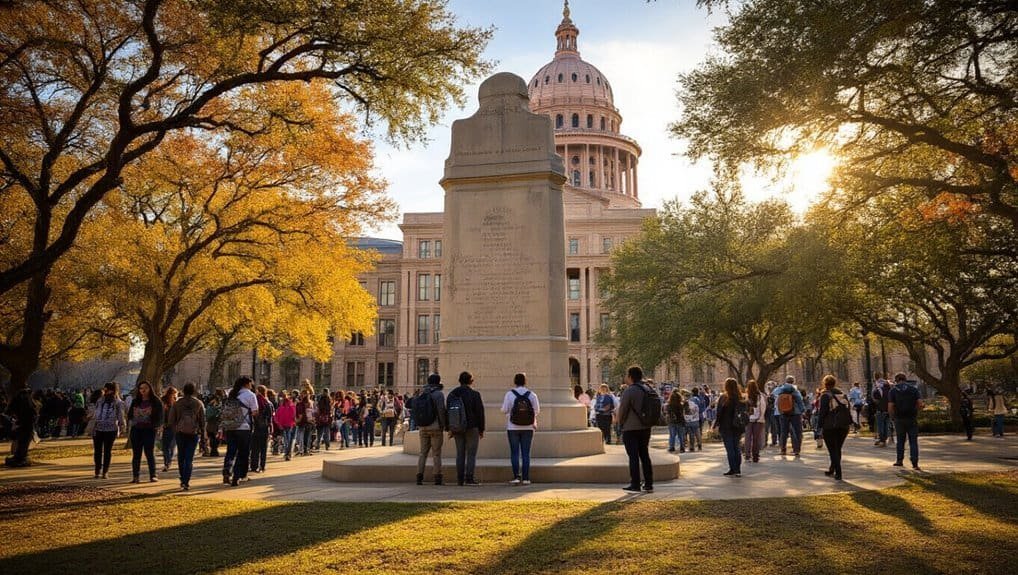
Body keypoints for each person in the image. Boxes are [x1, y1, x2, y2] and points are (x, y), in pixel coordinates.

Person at [617, 366, 655, 492]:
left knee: (633, 456)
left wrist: (619, 423)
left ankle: (635, 483)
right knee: (644, 454)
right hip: (646, 427)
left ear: (630, 376)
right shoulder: (648, 388)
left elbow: (622, 410)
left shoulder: (629, 391)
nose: (625, 378)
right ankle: (649, 483)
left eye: (627, 375)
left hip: (631, 428)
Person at [447, 371, 486, 486]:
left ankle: (459, 479)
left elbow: (448, 412)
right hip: (472, 427)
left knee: (460, 453)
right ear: (471, 381)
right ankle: (469, 477)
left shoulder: (452, 394)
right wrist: (481, 429)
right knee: (471, 454)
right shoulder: (475, 394)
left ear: (459, 381)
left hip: (457, 427)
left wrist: (449, 427)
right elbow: (480, 413)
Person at [166, 382, 205, 491]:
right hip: (193, 433)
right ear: (194, 391)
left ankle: (182, 478)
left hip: (180, 433)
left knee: (181, 457)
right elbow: (202, 421)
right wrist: (203, 435)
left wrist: (176, 429)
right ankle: (186, 481)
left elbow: (171, 420)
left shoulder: (177, 404)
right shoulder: (198, 403)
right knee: (189, 458)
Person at [502, 372, 539, 486]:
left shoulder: (509, 394)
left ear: (515, 382)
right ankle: (526, 478)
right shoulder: (532, 395)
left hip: (512, 427)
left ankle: (516, 477)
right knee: (526, 453)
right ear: (525, 382)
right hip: (528, 427)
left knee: (514, 453)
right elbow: (536, 411)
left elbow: (504, 410)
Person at [222, 376, 259, 486]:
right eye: (251, 383)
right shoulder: (250, 395)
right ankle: (236, 476)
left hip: (230, 426)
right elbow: (255, 411)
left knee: (230, 451)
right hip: (244, 427)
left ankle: (227, 470)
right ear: (247, 384)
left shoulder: (231, 393)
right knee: (242, 452)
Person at [127, 381, 163, 483]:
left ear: (150, 389)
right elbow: (130, 415)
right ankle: (135, 476)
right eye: (141, 388)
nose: (143, 390)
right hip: (136, 430)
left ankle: (153, 475)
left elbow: (160, 416)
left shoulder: (155, 401)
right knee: (136, 454)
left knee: (149, 453)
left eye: (145, 388)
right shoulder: (135, 401)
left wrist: (157, 426)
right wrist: (131, 423)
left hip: (149, 430)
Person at [416, 373, 448, 485]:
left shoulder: (422, 393)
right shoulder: (439, 394)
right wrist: (444, 425)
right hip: (435, 427)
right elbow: (441, 411)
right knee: (436, 453)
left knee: (422, 453)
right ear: (438, 382)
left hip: (423, 426)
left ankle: (419, 477)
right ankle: (437, 477)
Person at [818, 375, 851, 480]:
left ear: (825, 384)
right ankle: (833, 468)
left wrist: (819, 426)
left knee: (832, 449)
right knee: (838, 448)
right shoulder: (842, 394)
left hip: (830, 425)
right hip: (843, 425)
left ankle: (838, 472)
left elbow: (822, 413)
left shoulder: (825, 395)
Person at [888, 372, 923, 470]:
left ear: (896, 380)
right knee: (913, 441)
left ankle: (899, 460)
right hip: (911, 418)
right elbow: (920, 404)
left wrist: (892, 417)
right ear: (905, 379)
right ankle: (915, 463)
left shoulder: (893, 391)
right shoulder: (914, 389)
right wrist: (917, 410)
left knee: (900, 440)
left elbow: (890, 406)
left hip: (899, 418)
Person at [714, 377, 747, 477]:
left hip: (726, 426)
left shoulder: (724, 397)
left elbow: (719, 412)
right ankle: (737, 469)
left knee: (730, 449)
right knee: (736, 447)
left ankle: (733, 468)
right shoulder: (740, 397)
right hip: (737, 426)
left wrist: (716, 424)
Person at [4, 388, 40, 468]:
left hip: (20, 424)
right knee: (24, 442)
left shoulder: (18, 401)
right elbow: (34, 414)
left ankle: (18, 457)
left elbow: (9, 411)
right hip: (27, 425)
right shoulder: (30, 403)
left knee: (20, 441)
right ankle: (20, 457)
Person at [772, 375, 805, 457]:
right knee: (797, 431)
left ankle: (783, 449)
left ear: (786, 381)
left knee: (783, 431)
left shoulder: (781, 389)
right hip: (795, 413)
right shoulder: (795, 390)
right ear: (793, 381)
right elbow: (800, 400)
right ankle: (796, 449)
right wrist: (802, 410)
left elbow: (774, 395)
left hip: (783, 413)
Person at [250, 385, 274, 473]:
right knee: (263, 448)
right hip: (265, 427)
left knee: (255, 448)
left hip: (256, 427)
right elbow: (271, 417)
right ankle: (262, 466)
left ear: (258, 391)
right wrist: (271, 428)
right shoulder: (268, 402)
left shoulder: (255, 401)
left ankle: (254, 466)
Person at [744, 379, 767, 463]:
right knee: (756, 439)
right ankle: (755, 456)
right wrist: (761, 417)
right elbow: (763, 407)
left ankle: (747, 455)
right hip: (758, 420)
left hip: (748, 420)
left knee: (748, 438)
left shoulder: (746, 396)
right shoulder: (761, 396)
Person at [273, 392, 297, 460]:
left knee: (286, 440)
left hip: (283, 425)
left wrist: (279, 424)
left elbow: (276, 417)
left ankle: (287, 453)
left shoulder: (280, 408)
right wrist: (294, 422)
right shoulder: (292, 406)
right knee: (289, 440)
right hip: (290, 425)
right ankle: (288, 454)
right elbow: (293, 416)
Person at [160, 386, 178, 473]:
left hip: (171, 427)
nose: (175, 395)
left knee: (170, 446)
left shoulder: (175, 403)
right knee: (167, 446)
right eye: (174, 394)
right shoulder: (165, 403)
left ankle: (168, 462)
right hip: (168, 427)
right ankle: (167, 462)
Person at [872, 372, 891, 447]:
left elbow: (874, 398)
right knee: (886, 424)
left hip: (880, 408)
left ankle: (882, 439)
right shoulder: (889, 385)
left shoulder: (877, 385)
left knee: (880, 424)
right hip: (888, 407)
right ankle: (885, 439)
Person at [665, 389, 686, 453]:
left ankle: (672, 447)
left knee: (672, 435)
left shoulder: (668, 405)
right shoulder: (681, 405)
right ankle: (682, 448)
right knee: (681, 435)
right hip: (680, 421)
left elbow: (667, 413)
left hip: (671, 422)